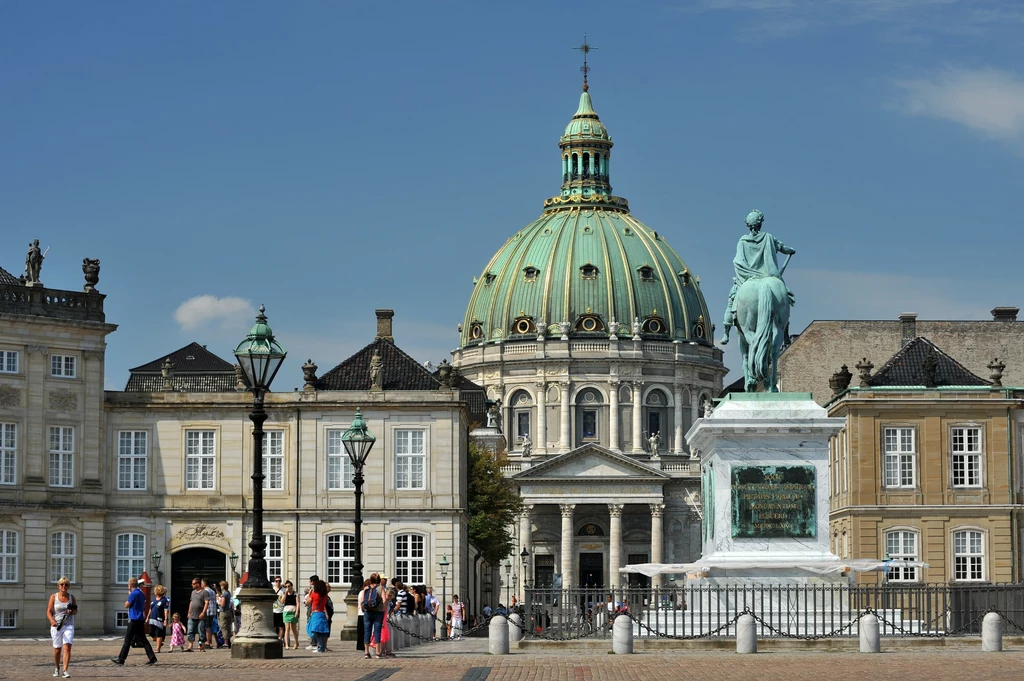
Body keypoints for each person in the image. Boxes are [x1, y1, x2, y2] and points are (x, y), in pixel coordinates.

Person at [721, 209, 796, 345]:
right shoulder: (768, 237)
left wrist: (747, 273)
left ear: (749, 226)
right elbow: (782, 248)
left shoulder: (743, 241)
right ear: (760, 223)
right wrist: (790, 251)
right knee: (784, 297)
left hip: (747, 277)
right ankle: (785, 333)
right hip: (768, 275)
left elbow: (738, 261)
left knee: (732, 299)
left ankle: (726, 331)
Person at [111, 577, 157, 666]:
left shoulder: (133, 594)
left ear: (131, 585)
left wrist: (129, 595)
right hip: (140, 619)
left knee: (127, 640)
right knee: (143, 639)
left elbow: (126, 605)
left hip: (134, 619)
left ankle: (121, 659)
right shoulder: (141, 593)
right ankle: (152, 657)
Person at [47, 576, 77, 678]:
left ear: (68, 586)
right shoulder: (53, 597)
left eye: (66, 585)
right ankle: (57, 667)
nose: (64, 586)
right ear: (59, 586)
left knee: (67, 647)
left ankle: (65, 670)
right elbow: (49, 612)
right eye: (62, 584)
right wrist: (52, 621)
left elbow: (75, 610)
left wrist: (72, 611)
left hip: (68, 625)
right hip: (56, 626)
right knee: (57, 649)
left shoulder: (71, 597)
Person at [304, 577, 331, 653]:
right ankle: (321, 646)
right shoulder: (325, 595)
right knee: (321, 631)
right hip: (322, 613)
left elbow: (308, 602)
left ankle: (320, 647)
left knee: (315, 631)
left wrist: (309, 595)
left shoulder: (314, 594)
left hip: (316, 613)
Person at [361, 573, 385, 659]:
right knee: (377, 631)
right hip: (378, 612)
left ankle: (366, 652)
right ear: (379, 580)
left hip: (368, 612)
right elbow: (384, 600)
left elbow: (362, 600)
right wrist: (384, 609)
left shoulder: (366, 588)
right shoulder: (380, 588)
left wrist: (363, 609)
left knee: (367, 631)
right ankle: (378, 652)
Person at [185, 577, 209, 652]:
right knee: (190, 631)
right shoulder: (193, 592)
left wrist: (203, 612)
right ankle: (190, 646)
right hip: (192, 615)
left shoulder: (204, 592)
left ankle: (201, 646)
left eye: (193, 583)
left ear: (198, 584)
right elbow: (191, 602)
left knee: (201, 632)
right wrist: (189, 612)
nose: (192, 585)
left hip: (200, 616)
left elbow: (206, 603)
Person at [149, 585, 170, 653]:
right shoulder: (154, 599)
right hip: (152, 618)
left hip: (159, 619)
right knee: (151, 633)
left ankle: (158, 648)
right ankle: (159, 642)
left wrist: (166, 619)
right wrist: (147, 618)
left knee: (158, 634)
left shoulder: (164, 600)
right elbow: (150, 608)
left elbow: (166, 610)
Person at [280, 580, 299, 649]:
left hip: (293, 610)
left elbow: (298, 603)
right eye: (286, 586)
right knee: (287, 628)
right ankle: (287, 644)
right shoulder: (284, 593)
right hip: (286, 611)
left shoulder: (295, 594)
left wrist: (297, 612)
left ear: (291, 586)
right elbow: (282, 601)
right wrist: (285, 593)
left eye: (289, 586)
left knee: (294, 628)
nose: (287, 587)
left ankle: (296, 642)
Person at [201, 578, 218, 648]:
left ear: (204, 584)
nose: (201, 585)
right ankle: (210, 642)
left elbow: (205, 601)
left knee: (207, 627)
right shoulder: (212, 591)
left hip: (207, 611)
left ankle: (208, 642)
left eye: (201, 583)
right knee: (210, 627)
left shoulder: (205, 591)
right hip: (213, 611)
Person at [217, 581, 234, 649]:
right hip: (228, 612)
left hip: (223, 612)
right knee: (228, 627)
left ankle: (226, 643)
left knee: (224, 627)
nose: (220, 587)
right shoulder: (228, 593)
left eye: (221, 586)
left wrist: (218, 600)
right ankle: (229, 642)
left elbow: (222, 604)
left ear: (223, 586)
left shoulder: (224, 595)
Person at [272, 576, 285, 642]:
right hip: (273, 610)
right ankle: (274, 639)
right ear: (274, 582)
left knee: (281, 626)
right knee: (273, 626)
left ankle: (280, 639)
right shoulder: (272, 590)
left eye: (279, 581)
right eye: (276, 581)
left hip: (281, 610)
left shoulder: (283, 590)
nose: (278, 582)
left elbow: (283, 601)